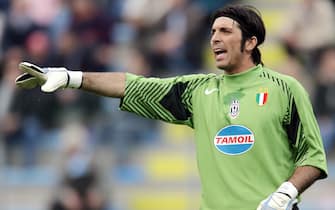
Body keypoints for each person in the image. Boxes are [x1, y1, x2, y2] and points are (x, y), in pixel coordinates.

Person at [15, 4, 327, 210]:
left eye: (225, 31)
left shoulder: (285, 89)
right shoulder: (199, 91)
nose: (214, 38)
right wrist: (72, 77)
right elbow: (134, 85)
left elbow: (312, 157)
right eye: (213, 32)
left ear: (251, 42)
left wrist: (284, 194)